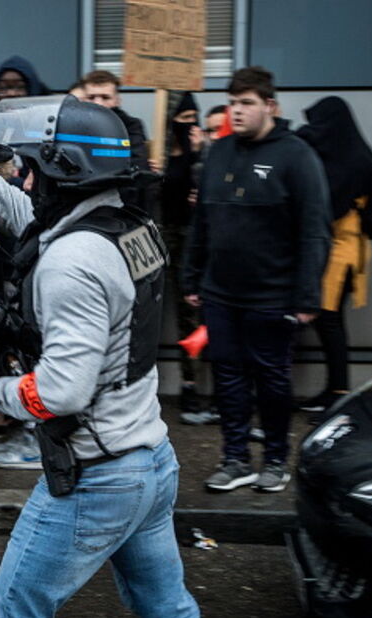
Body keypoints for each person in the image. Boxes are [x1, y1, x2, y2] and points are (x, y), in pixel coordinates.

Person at [0, 93, 199, 618]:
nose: (22, 180)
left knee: (10, 613)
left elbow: (62, 390)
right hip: (150, 459)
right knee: (167, 609)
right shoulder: (124, 224)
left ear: (64, 171)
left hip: (98, 476)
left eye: (29, 169)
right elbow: (10, 205)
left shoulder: (72, 261)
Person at [182, 66, 331, 493]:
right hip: (221, 294)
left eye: (247, 103)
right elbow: (202, 223)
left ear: (271, 106)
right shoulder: (219, 152)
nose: (238, 111)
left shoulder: (297, 155)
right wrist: (193, 277)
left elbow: (315, 230)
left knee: (271, 380)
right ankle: (235, 459)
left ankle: (276, 460)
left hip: (274, 296)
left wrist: (306, 296)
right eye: (233, 103)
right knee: (227, 378)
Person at [295, 96, 372, 415]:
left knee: (330, 321)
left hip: (343, 254)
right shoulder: (348, 154)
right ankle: (335, 389)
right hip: (332, 249)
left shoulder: (353, 163)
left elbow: (332, 205)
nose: (313, 130)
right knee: (326, 321)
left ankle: (339, 392)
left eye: (318, 123)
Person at [158, 92, 217, 424]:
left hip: (195, 239)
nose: (190, 124)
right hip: (165, 238)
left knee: (195, 315)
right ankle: (183, 384)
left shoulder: (203, 152)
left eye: (194, 116)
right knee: (170, 315)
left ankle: (197, 385)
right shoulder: (160, 154)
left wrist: (198, 156)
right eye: (183, 118)